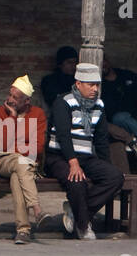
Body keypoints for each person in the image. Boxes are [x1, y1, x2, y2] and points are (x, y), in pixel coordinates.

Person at [44, 62, 124, 241]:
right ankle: (83, 225)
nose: (95, 89)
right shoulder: (63, 102)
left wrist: (106, 165)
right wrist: (73, 163)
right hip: (60, 156)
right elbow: (63, 136)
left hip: (86, 157)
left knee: (115, 177)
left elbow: (101, 140)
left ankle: (77, 212)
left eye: (97, 85)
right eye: (91, 85)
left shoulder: (99, 106)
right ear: (78, 84)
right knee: (77, 182)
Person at [0, 75, 47, 245]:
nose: (10, 100)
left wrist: (16, 150)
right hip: (1, 160)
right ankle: (37, 209)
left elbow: (38, 147)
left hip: (25, 164)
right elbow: (0, 145)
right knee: (22, 163)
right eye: (10, 95)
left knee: (18, 175)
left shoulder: (38, 114)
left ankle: (23, 231)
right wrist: (12, 117)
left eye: (16, 98)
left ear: (27, 101)